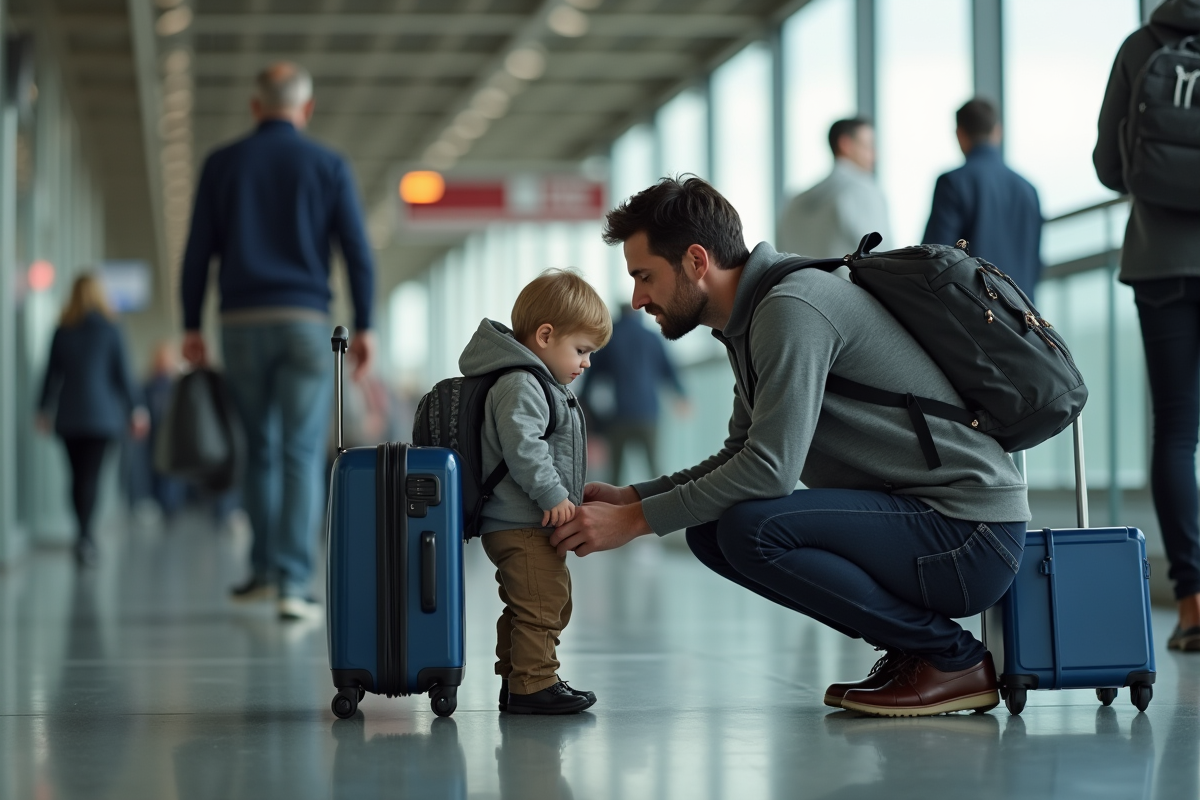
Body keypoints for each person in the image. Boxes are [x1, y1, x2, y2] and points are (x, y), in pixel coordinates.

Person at [550, 177, 1030, 717]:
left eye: (644, 276)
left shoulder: (792, 306)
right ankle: (915, 650)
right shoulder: (754, 318)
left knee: (748, 527)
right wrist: (634, 496)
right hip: (932, 523)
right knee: (711, 529)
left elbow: (769, 473)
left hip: (968, 535)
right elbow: (742, 455)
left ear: (695, 260)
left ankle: (949, 657)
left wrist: (636, 521)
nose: (637, 299)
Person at [180, 62, 376, 621]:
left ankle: (263, 574)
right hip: (304, 322)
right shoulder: (328, 164)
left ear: (255, 105)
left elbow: (198, 252)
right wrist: (366, 326)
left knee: (258, 449)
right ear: (306, 109)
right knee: (298, 452)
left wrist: (191, 323)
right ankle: (292, 583)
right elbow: (356, 251)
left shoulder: (222, 164)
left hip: (239, 323)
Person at [1094, 0, 1200, 652]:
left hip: (1160, 263)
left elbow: (1111, 165)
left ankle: (1192, 604)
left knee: (1176, 430)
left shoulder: (1141, 46)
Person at [458, 269, 612, 714]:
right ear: (545, 335)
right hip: (522, 522)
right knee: (545, 603)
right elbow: (523, 447)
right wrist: (552, 495)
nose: (586, 363)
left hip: (517, 522)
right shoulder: (522, 383)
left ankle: (516, 679)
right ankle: (534, 684)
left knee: (525, 605)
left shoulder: (530, 381)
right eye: (581, 350)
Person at [37, 274, 149, 566]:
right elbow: (123, 373)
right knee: (92, 478)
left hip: (70, 416)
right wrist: (136, 408)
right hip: (102, 417)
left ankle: (82, 534)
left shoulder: (62, 331)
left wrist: (43, 408)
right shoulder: (111, 330)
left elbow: (51, 375)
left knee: (76, 478)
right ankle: (87, 537)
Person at [923, 98, 1044, 299]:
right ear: (997, 131)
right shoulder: (1028, 189)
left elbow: (934, 257)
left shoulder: (953, 182)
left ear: (959, 134)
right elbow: (1035, 263)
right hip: (1022, 316)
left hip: (972, 315)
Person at [579, 306, 688, 484]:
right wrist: (681, 395)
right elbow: (668, 369)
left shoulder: (610, 341)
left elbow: (590, 379)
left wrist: (589, 418)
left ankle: (613, 509)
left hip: (618, 416)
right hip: (648, 413)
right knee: (654, 469)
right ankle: (660, 506)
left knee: (615, 474)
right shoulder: (651, 337)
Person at [777, 118, 890, 259]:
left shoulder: (794, 202)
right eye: (868, 146)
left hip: (796, 280)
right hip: (846, 281)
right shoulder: (863, 191)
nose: (874, 156)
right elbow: (882, 258)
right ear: (845, 144)